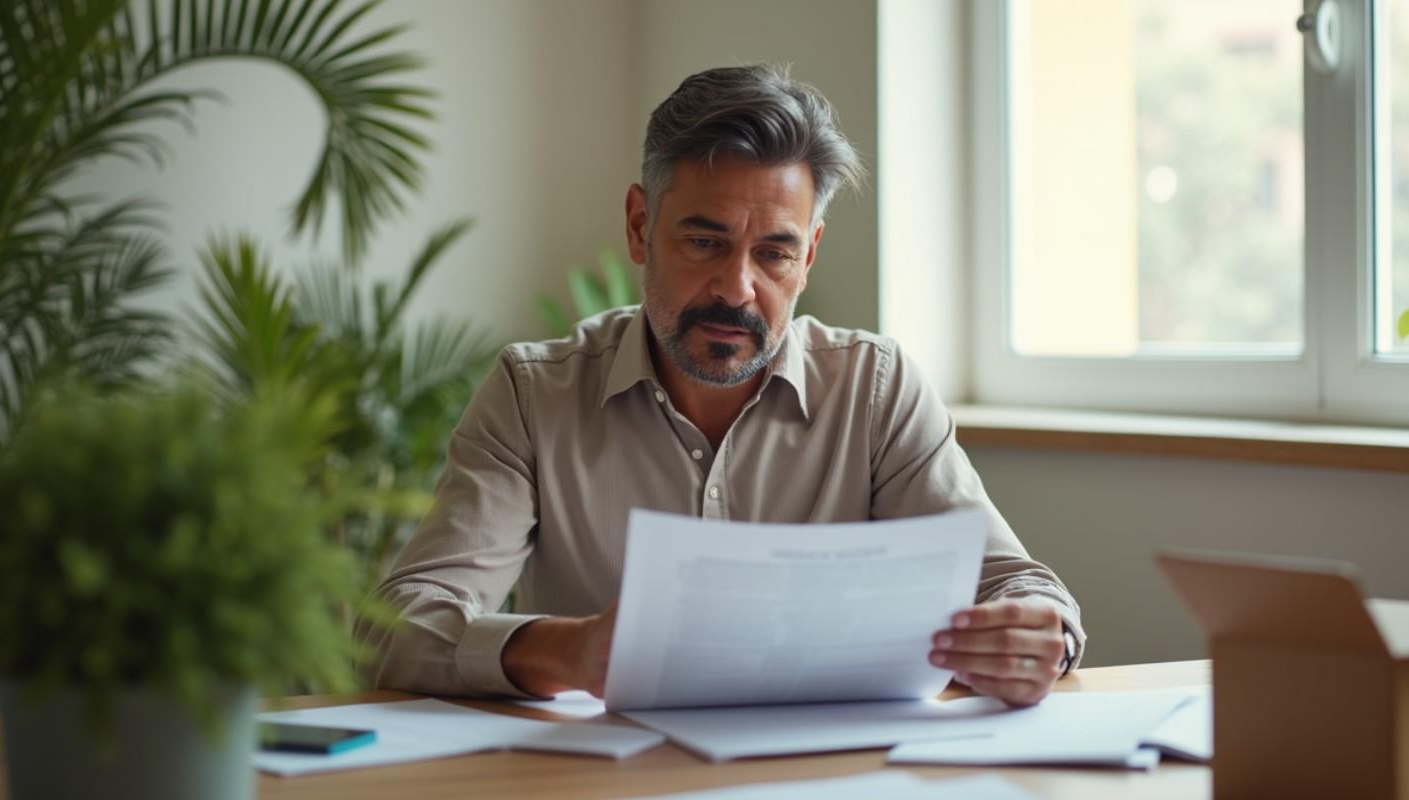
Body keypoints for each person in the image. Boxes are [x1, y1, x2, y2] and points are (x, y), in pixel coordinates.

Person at [358, 64, 1084, 707]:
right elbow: (398, 623)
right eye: (705, 243)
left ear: (809, 256)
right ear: (641, 226)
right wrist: (570, 650)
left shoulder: (876, 389)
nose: (737, 289)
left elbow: (1017, 586)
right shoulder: (533, 394)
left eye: (774, 253)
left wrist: (1038, 633)